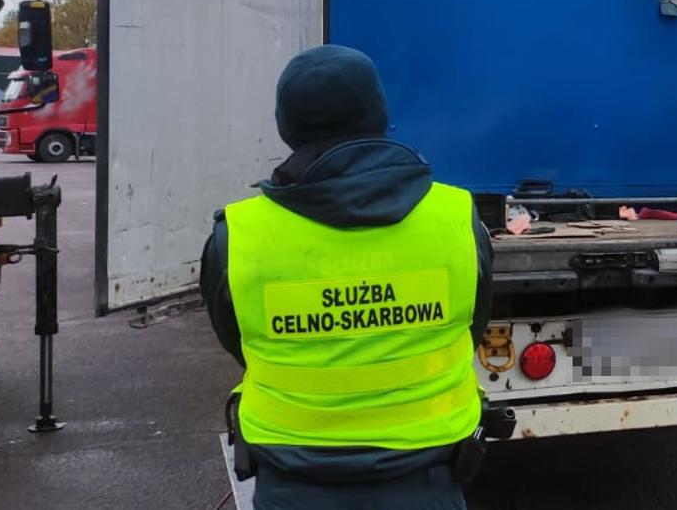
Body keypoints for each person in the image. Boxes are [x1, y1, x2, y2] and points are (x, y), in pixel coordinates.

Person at [200, 45, 492, 510]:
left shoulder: (236, 236)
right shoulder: (457, 218)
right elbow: (469, 327)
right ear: (377, 113)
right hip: (427, 479)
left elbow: (240, 341)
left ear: (285, 125)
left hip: (293, 483)